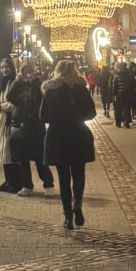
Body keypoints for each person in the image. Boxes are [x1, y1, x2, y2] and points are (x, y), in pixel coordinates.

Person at [41, 59, 97, 230]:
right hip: (78, 135)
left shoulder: (50, 92)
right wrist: (77, 116)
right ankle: (77, 205)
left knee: (63, 178)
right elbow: (91, 113)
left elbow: (43, 116)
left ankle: (67, 216)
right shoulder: (81, 90)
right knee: (79, 174)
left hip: (58, 137)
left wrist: (58, 118)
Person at [7, 73, 54, 196]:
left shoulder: (39, 86)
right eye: (25, 71)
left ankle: (48, 185)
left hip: (37, 128)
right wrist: (16, 82)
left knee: (40, 158)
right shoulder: (20, 86)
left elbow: (44, 100)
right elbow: (10, 97)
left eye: (30, 71)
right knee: (23, 158)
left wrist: (35, 82)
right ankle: (27, 185)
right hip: (23, 127)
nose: (27, 74)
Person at [0, 57, 20, 193]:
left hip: (10, 121)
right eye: (2, 67)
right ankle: (8, 180)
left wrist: (0, 107)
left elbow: (15, 104)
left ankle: (15, 181)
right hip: (2, 120)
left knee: (9, 151)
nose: (5, 70)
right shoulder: (2, 83)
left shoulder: (15, 83)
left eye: (7, 67)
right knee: (3, 152)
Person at [112, 61, 136, 128]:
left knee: (118, 109)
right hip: (128, 94)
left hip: (119, 94)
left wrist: (114, 95)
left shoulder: (117, 76)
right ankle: (127, 123)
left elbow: (114, 87)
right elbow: (134, 85)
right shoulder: (130, 76)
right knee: (127, 108)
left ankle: (118, 123)